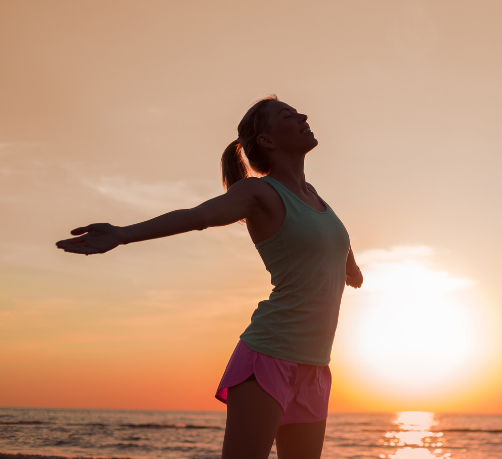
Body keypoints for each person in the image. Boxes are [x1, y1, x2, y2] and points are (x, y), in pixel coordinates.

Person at [56, 95, 363, 459]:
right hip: (269, 356)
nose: (303, 116)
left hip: (314, 367)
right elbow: (196, 216)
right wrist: (122, 234)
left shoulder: (315, 198)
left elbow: (331, 239)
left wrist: (351, 266)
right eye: (288, 115)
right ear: (266, 140)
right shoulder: (258, 192)